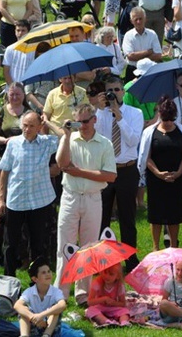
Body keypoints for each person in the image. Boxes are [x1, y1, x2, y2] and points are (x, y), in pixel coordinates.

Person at [54, 103, 116, 302]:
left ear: (95, 119)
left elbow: (110, 175)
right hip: (71, 196)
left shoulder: (105, 143)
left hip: (92, 198)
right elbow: (62, 164)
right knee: (65, 245)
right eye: (78, 122)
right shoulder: (70, 139)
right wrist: (65, 135)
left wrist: (80, 172)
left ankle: (83, 293)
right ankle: (61, 292)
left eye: (86, 121)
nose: (82, 125)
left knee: (89, 246)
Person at [0, 112, 63, 276]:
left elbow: (64, 136)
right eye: (25, 125)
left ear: (39, 127)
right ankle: (8, 279)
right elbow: (4, 171)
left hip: (39, 201)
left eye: (31, 125)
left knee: (38, 243)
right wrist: (1, 199)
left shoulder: (46, 142)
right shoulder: (13, 144)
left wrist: (47, 122)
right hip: (16, 200)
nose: (27, 129)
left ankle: (38, 279)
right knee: (11, 243)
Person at [96, 76, 144, 273]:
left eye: (117, 90)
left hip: (127, 168)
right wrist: (100, 110)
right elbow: (95, 138)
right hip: (106, 170)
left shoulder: (135, 113)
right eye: (110, 91)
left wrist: (119, 117)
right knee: (102, 217)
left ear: (123, 92)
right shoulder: (99, 114)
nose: (114, 94)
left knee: (127, 217)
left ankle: (130, 260)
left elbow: (133, 140)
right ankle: (101, 260)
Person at [138, 96, 182, 250]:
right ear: (159, 116)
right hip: (155, 178)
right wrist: (157, 173)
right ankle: (156, 247)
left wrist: (178, 173)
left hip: (176, 178)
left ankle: (174, 245)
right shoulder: (150, 132)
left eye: (171, 119)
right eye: (165, 119)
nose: (169, 122)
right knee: (155, 214)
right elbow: (146, 157)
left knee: (174, 214)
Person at [15, 257, 66, 336]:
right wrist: (33, 317)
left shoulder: (56, 291)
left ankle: (46, 335)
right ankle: (24, 335)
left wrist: (41, 315)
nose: (48, 274)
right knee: (23, 309)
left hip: (50, 327)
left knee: (56, 310)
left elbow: (62, 305)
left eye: (49, 271)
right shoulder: (29, 291)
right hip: (34, 324)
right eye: (43, 273)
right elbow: (17, 305)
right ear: (35, 279)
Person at [158, 259, 182, 329]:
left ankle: (166, 325)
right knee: (163, 303)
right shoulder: (170, 281)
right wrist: (171, 303)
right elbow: (164, 299)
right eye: (178, 269)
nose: (179, 273)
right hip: (171, 314)